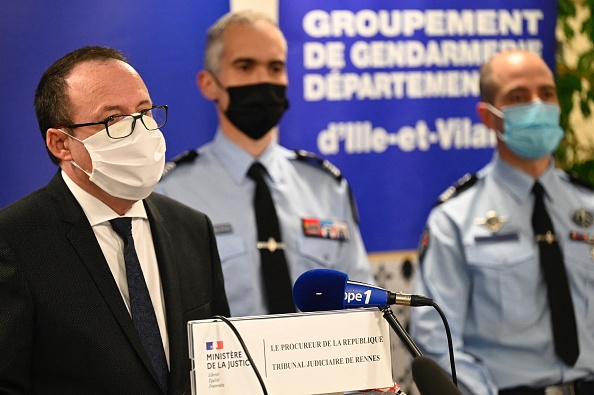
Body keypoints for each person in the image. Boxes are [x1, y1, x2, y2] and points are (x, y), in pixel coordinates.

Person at [0, 46, 230, 394]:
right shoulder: (14, 241)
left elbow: (219, 367)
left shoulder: (192, 228)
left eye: (144, 111)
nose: (139, 131)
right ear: (61, 143)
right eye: (112, 119)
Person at [155, 10, 375, 317]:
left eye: (275, 67)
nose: (262, 79)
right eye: (245, 66)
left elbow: (360, 305)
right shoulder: (171, 194)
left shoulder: (326, 187)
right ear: (209, 84)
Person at [409, 49, 594, 394]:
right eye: (518, 97)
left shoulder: (589, 206)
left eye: (547, 93)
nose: (538, 105)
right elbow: (437, 339)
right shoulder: (455, 219)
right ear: (487, 115)